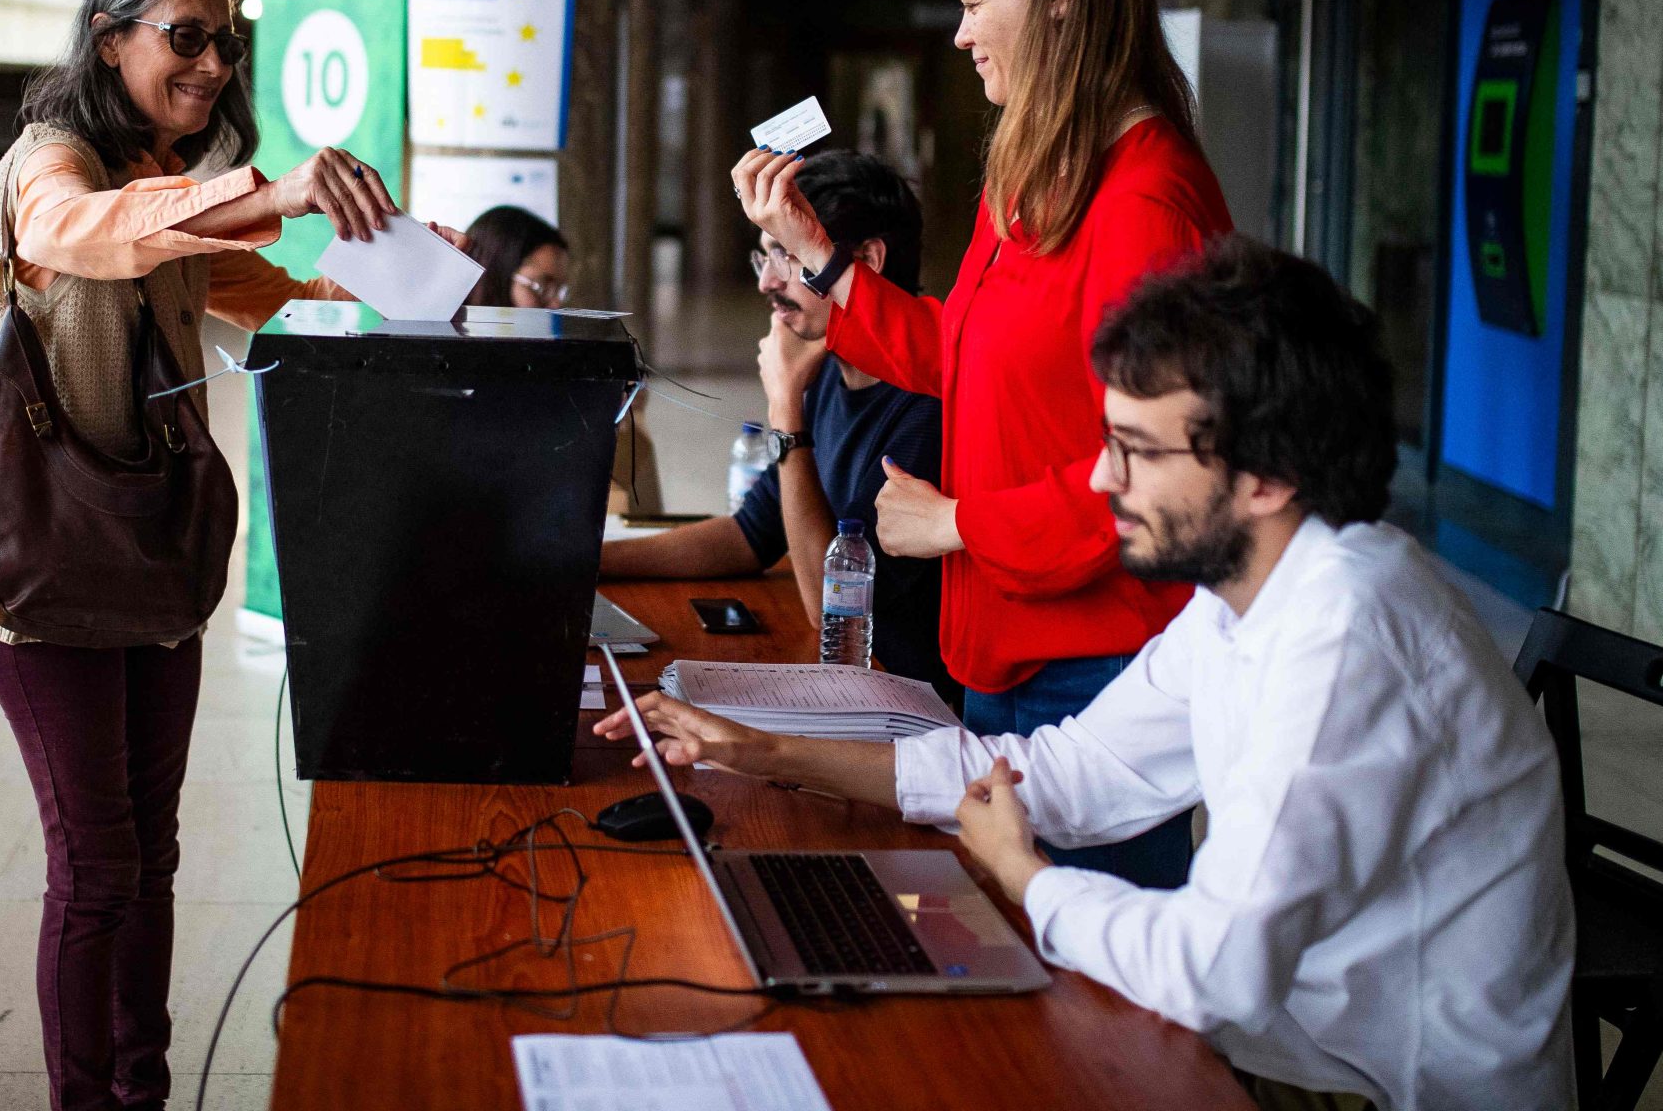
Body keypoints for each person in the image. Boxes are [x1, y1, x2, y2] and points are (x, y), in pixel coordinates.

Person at [597, 237, 1574, 1111]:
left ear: (1266, 478)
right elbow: (1074, 770)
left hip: (1368, 1081)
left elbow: (1211, 967)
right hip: (1280, 1046)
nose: (1104, 481)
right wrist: (769, 751)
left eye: (1138, 451)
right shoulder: (1250, 587)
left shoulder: (1350, 636)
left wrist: (1025, 873)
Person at [0, 0, 462, 1111]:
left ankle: (143, 1087)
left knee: (152, 857)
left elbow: (271, 292)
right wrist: (269, 191)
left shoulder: (160, 185)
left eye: (223, 39)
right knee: (97, 868)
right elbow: (80, 233)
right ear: (108, 38)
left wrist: (431, 285)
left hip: (154, 553)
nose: (212, 60)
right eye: (182, 35)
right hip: (42, 568)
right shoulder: (54, 165)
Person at [732, 0, 1231, 888]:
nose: (958, 33)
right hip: (1004, 641)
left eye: (971, 3)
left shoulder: (1146, 203)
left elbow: (1158, 472)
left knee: (1090, 1001)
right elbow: (959, 352)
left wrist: (960, 521)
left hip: (1095, 670)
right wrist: (816, 252)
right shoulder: (1042, 173)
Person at [602, 150, 955, 707]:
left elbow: (830, 606)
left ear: (867, 260)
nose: (767, 282)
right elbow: (750, 534)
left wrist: (787, 410)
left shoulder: (927, 406)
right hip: (847, 680)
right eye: (762, 257)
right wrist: (588, 563)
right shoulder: (832, 372)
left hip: (904, 703)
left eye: (788, 256)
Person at [461, 203, 663, 514]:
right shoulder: (454, 362)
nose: (553, 304)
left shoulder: (538, 356)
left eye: (560, 290)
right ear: (493, 273)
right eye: (541, 286)